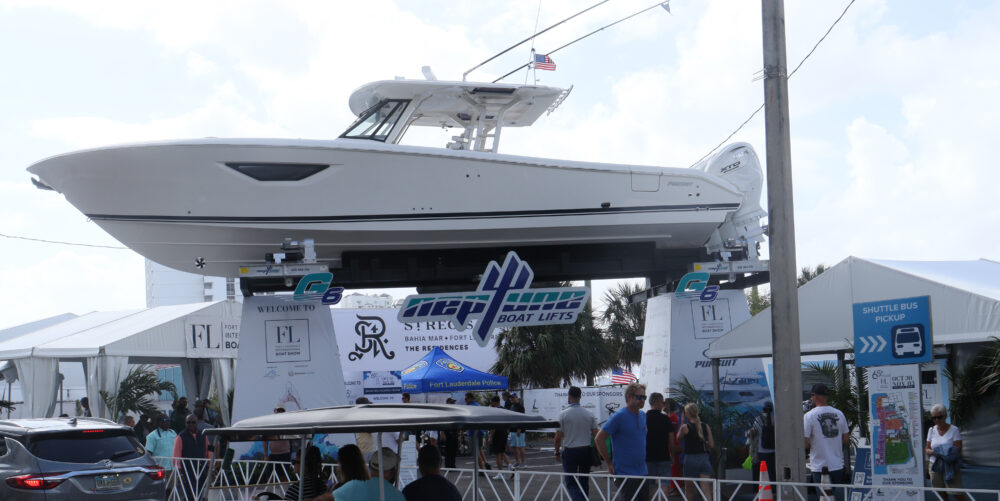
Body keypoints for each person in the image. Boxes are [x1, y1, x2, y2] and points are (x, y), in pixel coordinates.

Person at [596, 382, 649, 501]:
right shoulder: (619, 416)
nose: (642, 400)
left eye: (644, 397)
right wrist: (609, 463)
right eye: (639, 397)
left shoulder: (643, 415)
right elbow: (599, 438)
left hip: (643, 471)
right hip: (625, 472)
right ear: (629, 397)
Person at [803, 383, 849, 501]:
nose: (811, 398)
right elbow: (846, 439)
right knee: (831, 495)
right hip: (837, 465)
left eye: (812, 396)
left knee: (824, 497)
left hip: (820, 466)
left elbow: (806, 441)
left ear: (816, 396)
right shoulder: (839, 414)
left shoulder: (809, 416)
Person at [554, 386, 599, 501]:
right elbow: (596, 435)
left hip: (570, 451)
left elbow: (557, 437)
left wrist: (557, 452)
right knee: (584, 479)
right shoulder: (589, 414)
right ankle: (583, 498)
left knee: (571, 481)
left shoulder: (563, 414)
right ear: (580, 397)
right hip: (585, 450)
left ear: (569, 397)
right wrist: (598, 451)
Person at [320, 447, 405, 501]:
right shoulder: (398, 496)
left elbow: (324, 499)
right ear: (392, 472)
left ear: (371, 466)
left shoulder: (353, 487)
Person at [925, 404, 964, 501]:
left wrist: (943, 452)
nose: (936, 420)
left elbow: (958, 448)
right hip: (934, 464)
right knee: (940, 492)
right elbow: (927, 449)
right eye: (934, 418)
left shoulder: (954, 430)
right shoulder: (931, 430)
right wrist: (935, 452)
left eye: (939, 417)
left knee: (956, 492)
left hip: (950, 464)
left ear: (945, 416)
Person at [677, 403, 714, 501]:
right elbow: (711, 445)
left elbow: (678, 439)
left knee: (689, 489)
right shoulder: (706, 426)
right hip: (704, 458)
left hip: (690, 459)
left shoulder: (685, 427)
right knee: (706, 489)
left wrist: (682, 422)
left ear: (687, 414)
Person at [173, 413, 214, 501]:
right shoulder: (180, 437)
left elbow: (208, 451)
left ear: (197, 423)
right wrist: (180, 473)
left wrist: (211, 467)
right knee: (190, 495)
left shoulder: (203, 435)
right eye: (188, 422)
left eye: (193, 422)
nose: (190, 424)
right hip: (188, 472)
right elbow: (176, 456)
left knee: (202, 495)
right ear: (185, 423)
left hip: (202, 470)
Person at [646, 392, 675, 499]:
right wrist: (672, 455)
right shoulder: (666, 419)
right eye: (663, 402)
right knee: (664, 485)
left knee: (650, 486)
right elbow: (671, 441)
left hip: (648, 457)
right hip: (664, 456)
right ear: (658, 403)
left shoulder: (644, 418)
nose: (663, 405)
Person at [748, 401, 776, 482]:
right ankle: (774, 488)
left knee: (763, 471)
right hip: (773, 449)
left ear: (763, 409)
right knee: (772, 471)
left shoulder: (758, 419)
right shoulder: (774, 418)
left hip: (762, 450)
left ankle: (763, 487)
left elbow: (754, 432)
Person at [465, 392, 490, 471]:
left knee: (475, 451)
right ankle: (485, 462)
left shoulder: (470, 407)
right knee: (479, 448)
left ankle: (481, 469)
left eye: (466, 399)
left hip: (473, 431)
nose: (465, 401)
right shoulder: (478, 405)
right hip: (480, 431)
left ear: (470, 398)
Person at [488, 395, 512, 477]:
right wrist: (507, 431)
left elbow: (493, 425)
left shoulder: (495, 411)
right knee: (502, 452)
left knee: (497, 454)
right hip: (504, 433)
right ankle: (510, 466)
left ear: (494, 402)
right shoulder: (504, 410)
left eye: (492, 402)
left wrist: (490, 436)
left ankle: (501, 473)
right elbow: (509, 422)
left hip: (497, 433)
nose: (491, 404)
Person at [666, 398, 683, 496]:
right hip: (671, 442)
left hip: (672, 443)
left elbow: (671, 431)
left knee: (675, 467)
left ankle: (676, 488)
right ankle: (673, 487)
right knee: (672, 467)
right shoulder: (671, 416)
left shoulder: (672, 417)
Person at [508, 393, 527, 468]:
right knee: (514, 447)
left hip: (520, 431)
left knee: (521, 446)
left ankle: (523, 462)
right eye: (511, 398)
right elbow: (511, 418)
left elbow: (522, 418)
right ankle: (517, 461)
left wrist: (519, 428)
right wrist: (509, 428)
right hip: (512, 430)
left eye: (513, 398)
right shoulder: (511, 406)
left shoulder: (521, 407)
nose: (512, 399)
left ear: (517, 398)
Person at [441, 398, 459, 468]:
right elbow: (442, 423)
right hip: (447, 432)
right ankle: (448, 465)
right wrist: (442, 433)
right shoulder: (445, 412)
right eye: (451, 403)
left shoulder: (455, 411)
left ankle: (453, 464)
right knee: (448, 449)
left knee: (454, 449)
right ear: (448, 403)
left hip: (454, 432)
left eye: (453, 403)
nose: (453, 404)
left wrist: (459, 434)